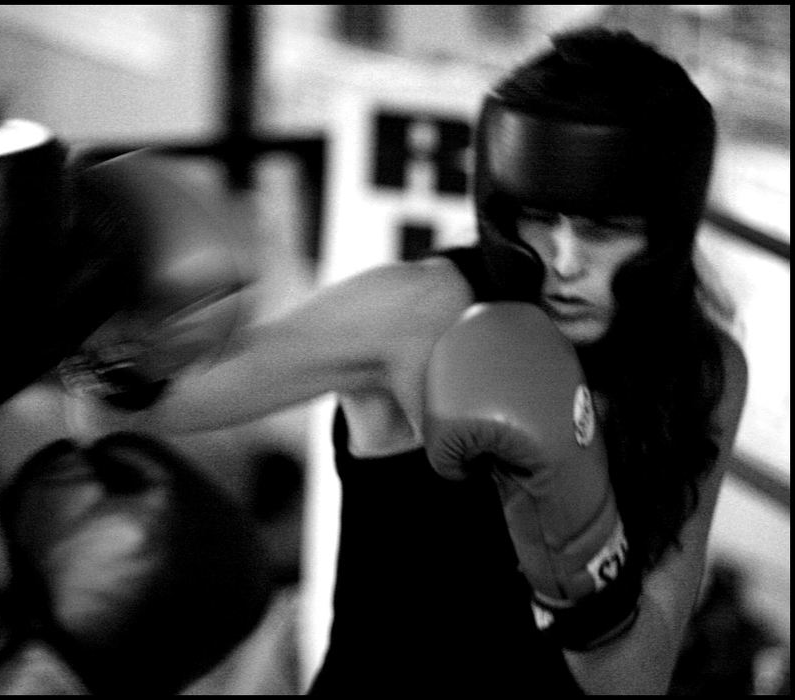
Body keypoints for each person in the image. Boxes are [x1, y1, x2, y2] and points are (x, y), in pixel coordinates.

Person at [64, 27, 748, 694]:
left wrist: (578, 548)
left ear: (668, 229)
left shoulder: (703, 372)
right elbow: (122, 420)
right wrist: (112, 315)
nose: (563, 264)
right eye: (539, 219)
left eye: (606, 231)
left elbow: (634, 680)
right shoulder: (420, 313)